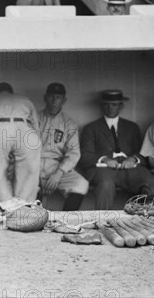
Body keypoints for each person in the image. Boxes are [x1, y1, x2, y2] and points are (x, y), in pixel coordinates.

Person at [79, 89, 154, 210]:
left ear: (121, 106)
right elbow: (85, 156)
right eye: (107, 104)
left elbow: (143, 153)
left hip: (130, 169)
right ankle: (103, 222)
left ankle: (149, 221)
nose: (110, 108)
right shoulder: (91, 128)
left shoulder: (132, 127)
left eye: (114, 104)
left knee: (148, 181)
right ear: (102, 105)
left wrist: (133, 159)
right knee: (105, 185)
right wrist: (104, 159)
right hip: (104, 170)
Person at [0, 82, 41, 203]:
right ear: (12, 93)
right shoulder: (25, 100)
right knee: (28, 175)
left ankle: (4, 205)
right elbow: (36, 128)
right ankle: (24, 206)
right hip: (26, 129)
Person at [37, 83, 88, 211]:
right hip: (34, 166)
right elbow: (24, 149)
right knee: (25, 185)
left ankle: (65, 222)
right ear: (45, 98)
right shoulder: (33, 119)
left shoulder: (69, 123)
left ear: (64, 100)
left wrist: (58, 174)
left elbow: (74, 153)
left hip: (56, 166)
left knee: (81, 184)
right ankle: (33, 219)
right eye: (51, 96)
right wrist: (36, 175)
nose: (54, 101)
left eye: (58, 97)